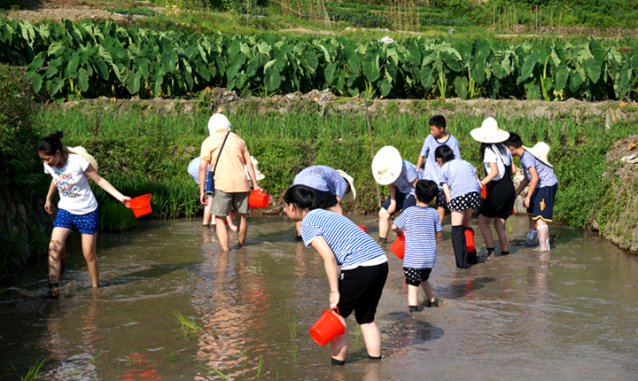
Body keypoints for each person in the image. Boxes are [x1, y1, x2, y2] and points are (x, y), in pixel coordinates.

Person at [284, 185, 388, 366]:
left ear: (292, 206)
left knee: (337, 316)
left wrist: (334, 291)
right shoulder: (327, 214)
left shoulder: (307, 224)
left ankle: (337, 370)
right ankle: (375, 369)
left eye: (285, 206)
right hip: (380, 261)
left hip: (359, 265)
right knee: (366, 318)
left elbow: (329, 257)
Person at [38, 131, 131, 292]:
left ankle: (96, 287)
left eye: (47, 159)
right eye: (43, 160)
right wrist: (48, 198)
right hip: (66, 210)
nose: (46, 162)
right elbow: (55, 178)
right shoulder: (49, 165)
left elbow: (99, 180)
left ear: (58, 153)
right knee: (53, 247)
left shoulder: (78, 162)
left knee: (88, 253)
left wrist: (120, 197)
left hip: (87, 211)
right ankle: (53, 289)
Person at [199, 113, 262, 252]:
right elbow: (249, 163)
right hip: (242, 184)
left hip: (222, 185)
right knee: (242, 217)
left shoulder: (208, 141)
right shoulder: (239, 140)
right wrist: (255, 185)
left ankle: (226, 253)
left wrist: (202, 191)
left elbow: (202, 167)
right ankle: (241, 247)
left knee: (220, 218)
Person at [391, 180, 442, 312]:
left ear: (415, 196)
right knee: (424, 279)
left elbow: (394, 226)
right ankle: (433, 304)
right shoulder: (434, 213)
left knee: (413, 287)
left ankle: (414, 314)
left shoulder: (409, 212)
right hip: (429, 258)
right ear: (433, 198)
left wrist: (398, 233)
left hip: (413, 258)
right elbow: (438, 231)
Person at [471, 117, 516, 258]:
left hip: (497, 190)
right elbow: (513, 170)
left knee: (482, 221)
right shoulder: (505, 148)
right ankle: (504, 254)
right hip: (509, 188)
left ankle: (490, 253)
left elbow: (494, 172)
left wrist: (481, 183)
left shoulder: (489, 150)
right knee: (499, 224)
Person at [505, 134, 558, 251]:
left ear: (511, 148)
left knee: (540, 215)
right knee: (531, 211)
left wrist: (528, 196)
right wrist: (516, 194)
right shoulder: (523, 156)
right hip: (539, 185)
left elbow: (535, 178)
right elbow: (527, 178)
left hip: (546, 185)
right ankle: (532, 240)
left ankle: (544, 247)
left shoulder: (526, 157)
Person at [436, 145, 482, 269]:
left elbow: (445, 188)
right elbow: (478, 182)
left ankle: (461, 264)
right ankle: (472, 258)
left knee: (456, 229)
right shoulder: (465, 163)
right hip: (474, 194)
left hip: (459, 195)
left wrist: (450, 202)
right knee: (466, 223)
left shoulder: (444, 168)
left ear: (439, 159)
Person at [416, 115, 462, 225]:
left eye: (433, 130)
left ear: (441, 129)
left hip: (443, 180)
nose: (431, 132)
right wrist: (418, 169)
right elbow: (422, 155)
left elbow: (457, 161)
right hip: (429, 176)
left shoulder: (453, 142)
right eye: (430, 129)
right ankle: (421, 223)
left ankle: (438, 229)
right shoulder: (429, 139)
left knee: (441, 204)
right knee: (422, 200)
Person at [292, 165, 356, 240]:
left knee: (301, 212)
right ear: (348, 184)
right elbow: (337, 202)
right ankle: (340, 236)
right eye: (346, 192)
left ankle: (299, 240)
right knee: (338, 210)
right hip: (316, 183)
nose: (344, 193)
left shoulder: (330, 176)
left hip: (297, 183)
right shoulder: (343, 183)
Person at [372, 146, 418, 243]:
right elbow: (391, 184)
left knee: (406, 218)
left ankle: (408, 247)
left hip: (413, 190)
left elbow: (417, 186)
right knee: (383, 213)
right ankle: (382, 244)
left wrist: (420, 202)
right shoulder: (387, 172)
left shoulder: (406, 168)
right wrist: (393, 202)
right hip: (400, 190)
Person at [188, 157, 237, 230]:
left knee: (209, 196)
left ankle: (205, 226)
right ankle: (214, 224)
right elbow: (225, 202)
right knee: (215, 197)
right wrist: (231, 225)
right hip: (203, 168)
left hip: (193, 166)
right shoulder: (226, 167)